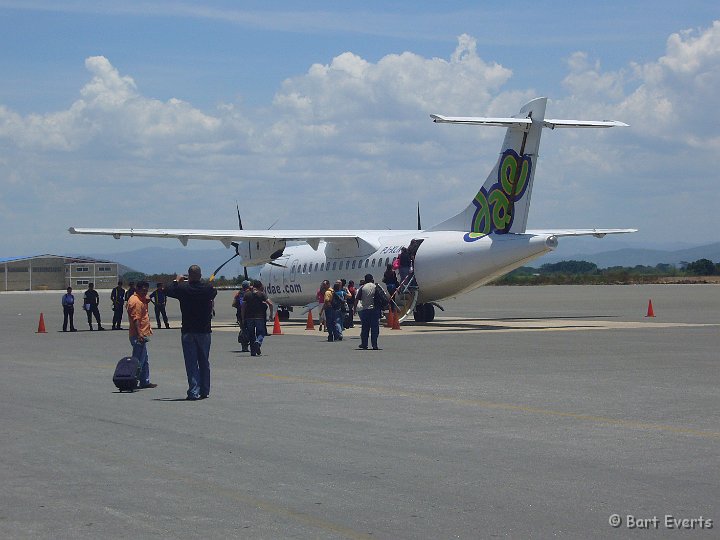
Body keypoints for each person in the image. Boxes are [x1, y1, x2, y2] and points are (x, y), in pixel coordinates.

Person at [164, 265, 217, 400]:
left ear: (188, 275)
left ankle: (194, 391)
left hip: (188, 329)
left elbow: (168, 290)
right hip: (204, 330)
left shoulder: (183, 289)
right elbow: (213, 291)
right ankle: (205, 390)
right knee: (204, 361)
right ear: (200, 275)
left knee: (191, 362)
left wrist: (177, 280)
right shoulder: (206, 289)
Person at [126, 280, 157, 389]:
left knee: (144, 359)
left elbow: (147, 298)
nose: (145, 293)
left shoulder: (140, 299)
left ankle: (144, 381)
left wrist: (145, 297)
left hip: (143, 334)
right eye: (143, 290)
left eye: (146, 290)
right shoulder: (136, 302)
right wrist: (139, 334)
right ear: (137, 289)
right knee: (138, 360)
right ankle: (132, 380)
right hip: (138, 335)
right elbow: (136, 319)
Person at [241, 280, 273, 356]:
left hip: (249, 317)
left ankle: (253, 351)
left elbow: (243, 307)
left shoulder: (247, 295)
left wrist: (242, 318)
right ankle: (258, 342)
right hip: (260, 317)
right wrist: (271, 315)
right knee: (261, 333)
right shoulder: (262, 294)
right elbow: (270, 304)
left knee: (251, 334)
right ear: (260, 286)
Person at [354, 273, 384, 350]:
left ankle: (364, 344)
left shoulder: (363, 287)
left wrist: (354, 309)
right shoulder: (376, 286)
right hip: (374, 310)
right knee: (375, 328)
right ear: (372, 279)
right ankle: (374, 344)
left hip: (365, 310)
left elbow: (357, 299)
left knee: (365, 328)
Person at [233, 280, 252, 352]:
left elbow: (233, 304)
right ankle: (246, 345)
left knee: (243, 329)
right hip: (249, 314)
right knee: (248, 330)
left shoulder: (238, 294)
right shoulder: (250, 293)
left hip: (240, 315)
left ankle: (244, 345)